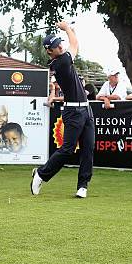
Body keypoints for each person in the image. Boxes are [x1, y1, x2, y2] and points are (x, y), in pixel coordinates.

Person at [31, 22, 95, 199]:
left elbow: (74, 44)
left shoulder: (63, 58)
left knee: (88, 149)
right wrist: (66, 28)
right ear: (50, 51)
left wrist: (70, 31)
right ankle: (41, 174)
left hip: (86, 110)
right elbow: (74, 45)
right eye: (55, 45)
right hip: (73, 112)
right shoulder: (60, 62)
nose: (60, 45)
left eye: (60, 42)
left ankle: (83, 185)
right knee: (67, 149)